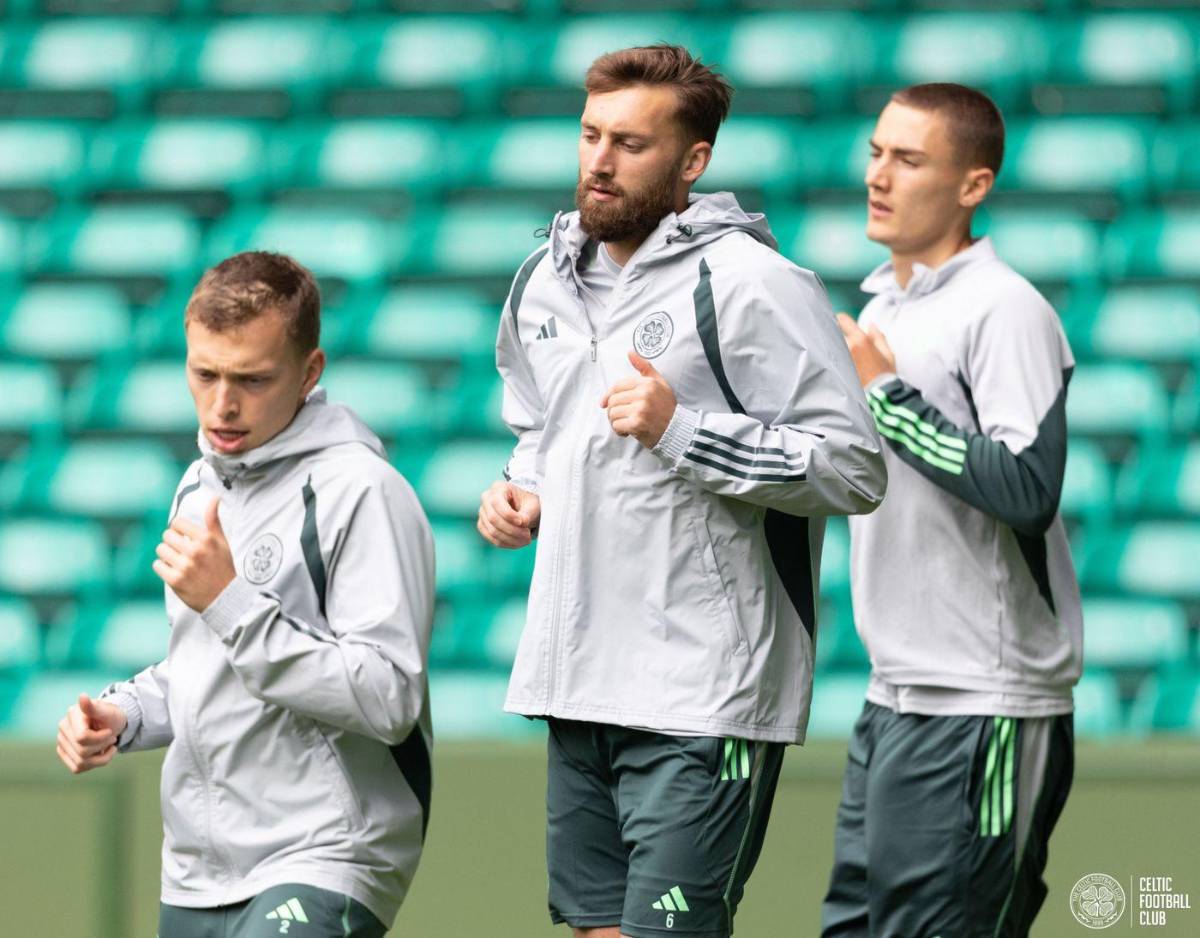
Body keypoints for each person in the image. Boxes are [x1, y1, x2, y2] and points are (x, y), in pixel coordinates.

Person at [477, 45, 887, 938]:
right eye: (590, 134)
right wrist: (520, 490)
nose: (599, 160)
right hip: (576, 679)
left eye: (630, 142)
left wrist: (680, 428)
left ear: (693, 160)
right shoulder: (542, 277)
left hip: (706, 691)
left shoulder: (754, 285)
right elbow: (539, 431)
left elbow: (853, 468)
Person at [55, 251, 435, 938]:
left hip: (325, 852)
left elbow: (389, 698)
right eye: (205, 375)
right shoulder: (199, 487)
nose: (223, 404)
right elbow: (210, 670)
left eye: (253, 380)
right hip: (197, 869)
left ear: (309, 372)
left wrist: (228, 599)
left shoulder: (363, 492)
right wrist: (124, 715)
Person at [821, 83, 1081, 938]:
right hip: (893, 695)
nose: (879, 176)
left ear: (973, 185)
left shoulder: (1005, 309)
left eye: (908, 159)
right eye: (875, 153)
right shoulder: (885, 308)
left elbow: (1027, 492)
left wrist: (885, 396)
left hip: (985, 704)